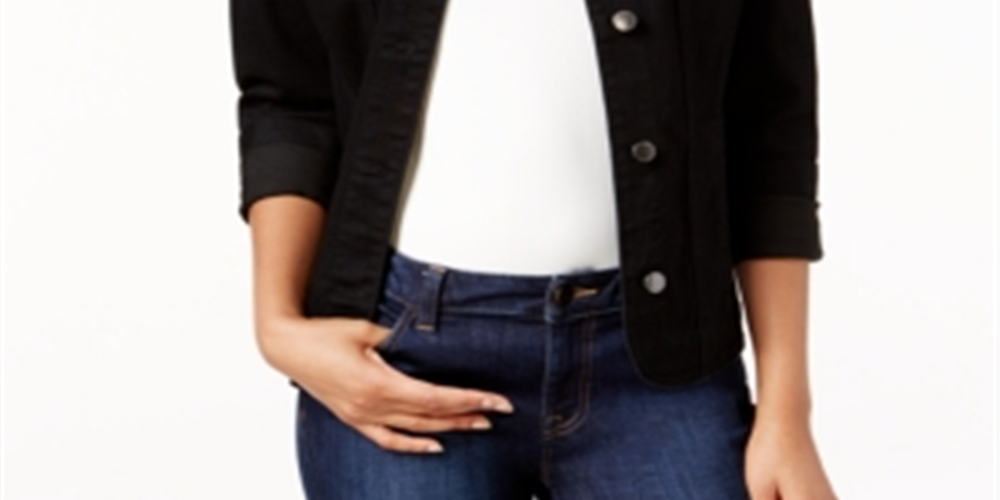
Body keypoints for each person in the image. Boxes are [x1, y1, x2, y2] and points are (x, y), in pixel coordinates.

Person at [229, 0, 839, 499]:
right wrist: (278, 327)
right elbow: (289, 99)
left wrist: (787, 412)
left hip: (663, 361)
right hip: (400, 355)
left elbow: (769, 130)